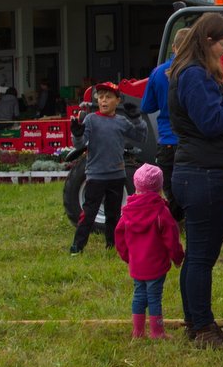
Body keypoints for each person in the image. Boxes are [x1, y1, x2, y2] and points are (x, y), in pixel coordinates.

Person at [170, 13, 223, 348]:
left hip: (197, 171)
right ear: (208, 40)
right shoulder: (193, 75)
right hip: (203, 175)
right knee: (202, 257)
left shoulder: (188, 72)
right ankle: (204, 328)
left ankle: (196, 323)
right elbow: (211, 121)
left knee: (197, 256)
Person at [69, 82, 147, 254]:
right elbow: (79, 144)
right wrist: (77, 134)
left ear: (117, 101)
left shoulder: (121, 121)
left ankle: (112, 245)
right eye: (101, 96)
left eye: (109, 97)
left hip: (117, 175)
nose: (104, 100)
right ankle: (77, 246)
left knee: (113, 214)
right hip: (96, 176)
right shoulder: (91, 120)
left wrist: (137, 119)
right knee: (89, 213)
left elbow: (141, 136)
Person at [114, 163, 184, 340]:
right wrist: (177, 257)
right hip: (156, 266)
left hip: (137, 264)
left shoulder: (127, 211)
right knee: (154, 297)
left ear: (136, 186)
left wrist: (127, 257)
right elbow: (172, 239)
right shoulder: (162, 212)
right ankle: (157, 332)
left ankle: (138, 332)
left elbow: (119, 237)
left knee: (139, 295)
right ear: (159, 188)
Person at [141, 27, 190, 222]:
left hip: (168, 139)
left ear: (174, 47)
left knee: (169, 186)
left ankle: (174, 220)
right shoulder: (199, 72)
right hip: (191, 140)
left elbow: (146, 106)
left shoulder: (159, 72)